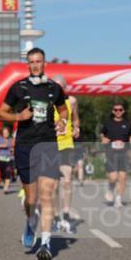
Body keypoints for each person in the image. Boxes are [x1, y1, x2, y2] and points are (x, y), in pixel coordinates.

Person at [0, 47, 68, 260]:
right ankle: (30, 221)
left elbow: (63, 109)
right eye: (31, 62)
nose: (35, 65)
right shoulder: (18, 88)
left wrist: (62, 120)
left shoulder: (54, 88)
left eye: (39, 61)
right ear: (27, 65)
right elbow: (1, 112)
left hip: (47, 145)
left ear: (44, 63)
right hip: (25, 146)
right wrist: (20, 115)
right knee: (31, 199)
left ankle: (45, 243)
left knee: (47, 195)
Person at [52, 75, 80, 234]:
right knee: (54, 185)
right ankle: (56, 216)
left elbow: (76, 119)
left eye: (60, 86)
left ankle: (66, 213)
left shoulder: (72, 101)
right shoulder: (47, 103)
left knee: (67, 180)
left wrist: (76, 128)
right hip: (50, 145)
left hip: (66, 144)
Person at [100, 101, 131, 207]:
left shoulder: (128, 123)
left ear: (123, 111)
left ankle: (118, 199)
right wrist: (103, 138)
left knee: (122, 177)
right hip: (111, 154)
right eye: (116, 110)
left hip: (123, 154)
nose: (118, 112)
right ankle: (111, 189)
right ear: (113, 111)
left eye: (120, 110)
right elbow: (102, 133)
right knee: (113, 177)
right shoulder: (108, 123)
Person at [0, 126, 15, 194]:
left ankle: (6, 188)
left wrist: (13, 149)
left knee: (8, 173)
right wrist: (2, 145)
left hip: (9, 159)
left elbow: (14, 146)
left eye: (7, 133)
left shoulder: (11, 139)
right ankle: (4, 180)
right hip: (1, 158)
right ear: (2, 134)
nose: (6, 134)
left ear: (9, 133)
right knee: (3, 174)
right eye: (4, 133)